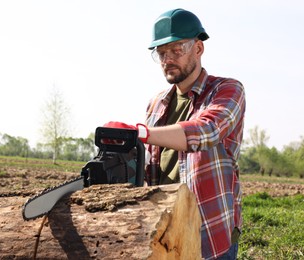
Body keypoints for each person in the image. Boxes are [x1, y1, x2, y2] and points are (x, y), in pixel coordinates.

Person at [105, 8, 245, 259]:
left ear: (198, 49)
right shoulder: (157, 103)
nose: (167, 59)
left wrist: (140, 133)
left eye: (176, 49)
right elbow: (149, 166)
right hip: (166, 234)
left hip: (209, 233)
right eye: (161, 53)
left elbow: (206, 131)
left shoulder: (226, 90)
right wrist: (124, 148)